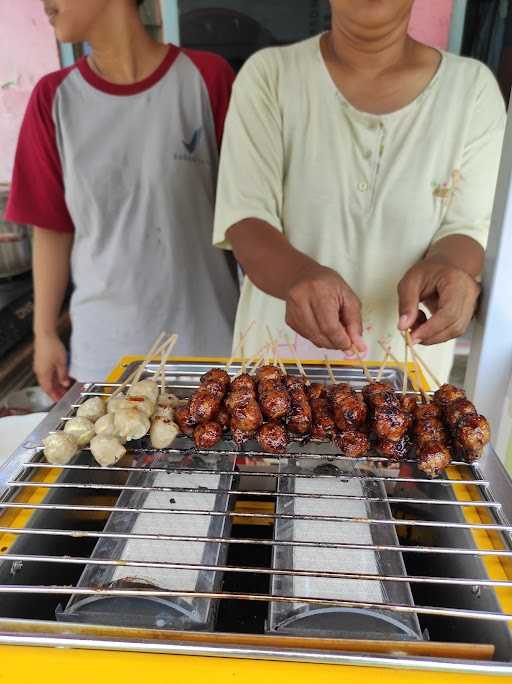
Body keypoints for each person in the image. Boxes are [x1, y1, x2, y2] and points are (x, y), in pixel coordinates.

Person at [213, 0, 506, 382]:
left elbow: (468, 227)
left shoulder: (471, 91)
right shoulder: (269, 76)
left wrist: (448, 269)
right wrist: (299, 275)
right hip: (275, 373)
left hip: (405, 376)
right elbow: (246, 220)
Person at [5, 0, 239, 400]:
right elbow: (51, 228)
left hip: (209, 350)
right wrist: (44, 334)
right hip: (107, 357)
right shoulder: (54, 98)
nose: (44, 3)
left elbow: (248, 218)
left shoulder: (206, 77)